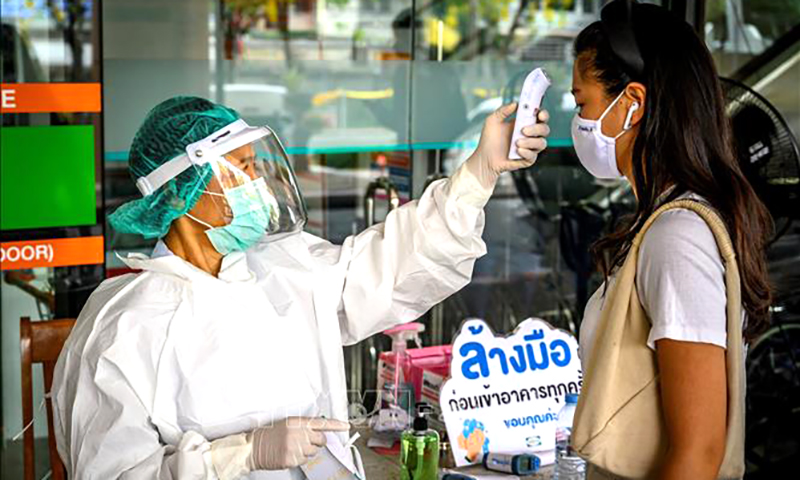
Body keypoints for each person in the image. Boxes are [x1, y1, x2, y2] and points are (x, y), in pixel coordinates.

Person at [52, 95, 550, 479]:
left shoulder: (280, 267)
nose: (259, 184)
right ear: (184, 192)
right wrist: (241, 454)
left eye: (255, 164)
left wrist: (476, 176)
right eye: (242, 169)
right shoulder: (125, 329)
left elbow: (386, 269)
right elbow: (112, 472)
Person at [568, 1, 772, 479]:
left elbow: (698, 454)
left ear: (632, 103)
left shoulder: (678, 238)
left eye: (582, 103)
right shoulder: (661, 223)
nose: (577, 121)